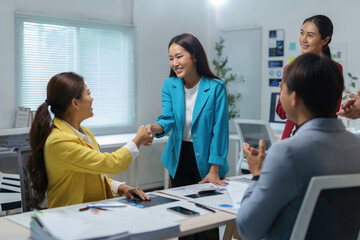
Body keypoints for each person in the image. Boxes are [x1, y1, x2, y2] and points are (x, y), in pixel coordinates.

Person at [236, 54, 360, 240]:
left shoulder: (287, 153)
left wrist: (257, 174)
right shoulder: (356, 147)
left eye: (282, 88)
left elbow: (248, 229)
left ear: (294, 97)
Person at [146, 33, 229, 240]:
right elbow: (167, 119)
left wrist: (214, 169)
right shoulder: (170, 86)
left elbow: (220, 130)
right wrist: (154, 128)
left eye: (179, 56)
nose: (175, 63)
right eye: (171, 58)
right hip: (179, 158)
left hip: (208, 161)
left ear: (194, 56)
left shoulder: (215, 87)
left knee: (207, 222)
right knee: (185, 220)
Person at [27, 72, 153, 209]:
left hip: (92, 211)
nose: (92, 98)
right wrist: (138, 139)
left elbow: (98, 173)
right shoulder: (58, 141)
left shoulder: (86, 133)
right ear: (75, 103)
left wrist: (122, 188)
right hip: (69, 217)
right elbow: (112, 163)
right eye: (88, 93)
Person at [276, 15, 343, 139]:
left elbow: (331, 113)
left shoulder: (333, 69)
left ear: (325, 40)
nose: (303, 39)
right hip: (290, 138)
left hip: (318, 139)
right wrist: (285, 92)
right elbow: (281, 113)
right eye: (302, 33)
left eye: (310, 35)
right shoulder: (290, 68)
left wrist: (297, 92)